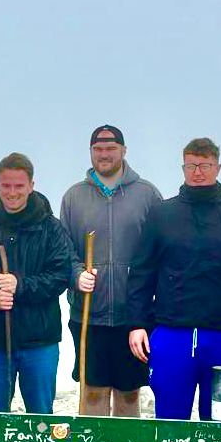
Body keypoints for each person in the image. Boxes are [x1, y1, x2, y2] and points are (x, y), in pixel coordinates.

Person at [127, 137, 221, 420]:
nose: (198, 171)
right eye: (192, 165)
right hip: (173, 337)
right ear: (183, 167)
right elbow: (141, 272)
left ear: (217, 168)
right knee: (170, 423)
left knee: (220, 426)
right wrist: (137, 324)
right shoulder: (161, 215)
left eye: (205, 165)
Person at [0, 153, 73, 414]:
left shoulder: (52, 229)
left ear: (31, 185)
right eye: (6, 185)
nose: (12, 193)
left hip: (40, 341)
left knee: (41, 417)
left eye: (19, 186)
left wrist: (20, 285)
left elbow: (60, 276)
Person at [61, 124, 162, 416]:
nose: (104, 154)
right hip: (89, 315)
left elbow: (158, 251)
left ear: (123, 151)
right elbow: (63, 251)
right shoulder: (73, 197)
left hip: (133, 316)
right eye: (98, 149)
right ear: (91, 152)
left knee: (130, 394)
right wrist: (76, 273)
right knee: (92, 392)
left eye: (110, 148)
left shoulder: (147, 194)